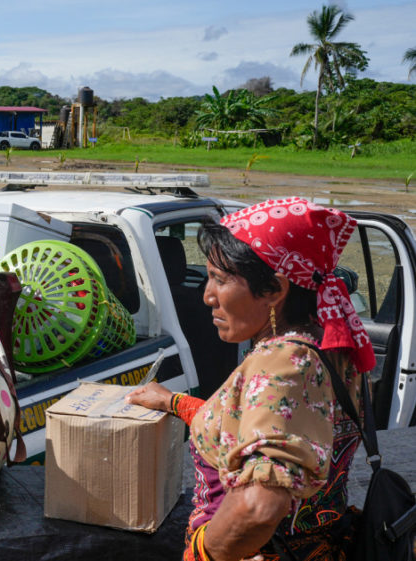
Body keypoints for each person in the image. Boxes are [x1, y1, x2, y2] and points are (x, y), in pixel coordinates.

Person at [127, 197, 376, 561]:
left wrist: (205, 552)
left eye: (220, 279)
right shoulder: (332, 344)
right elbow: (254, 421)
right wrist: (171, 401)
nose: (208, 296)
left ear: (275, 289)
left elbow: (258, 507)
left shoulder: (283, 364)